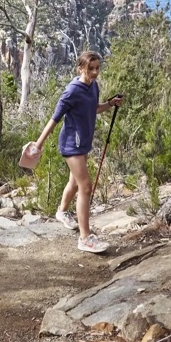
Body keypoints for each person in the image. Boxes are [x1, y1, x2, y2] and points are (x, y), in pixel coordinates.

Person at [31, 50, 123, 254]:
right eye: (91, 68)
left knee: (74, 183)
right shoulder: (72, 91)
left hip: (83, 143)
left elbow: (92, 108)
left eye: (98, 68)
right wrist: (38, 144)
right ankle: (85, 237)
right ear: (80, 68)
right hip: (71, 144)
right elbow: (54, 119)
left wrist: (109, 104)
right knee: (86, 187)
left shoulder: (93, 87)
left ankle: (62, 212)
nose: (95, 72)